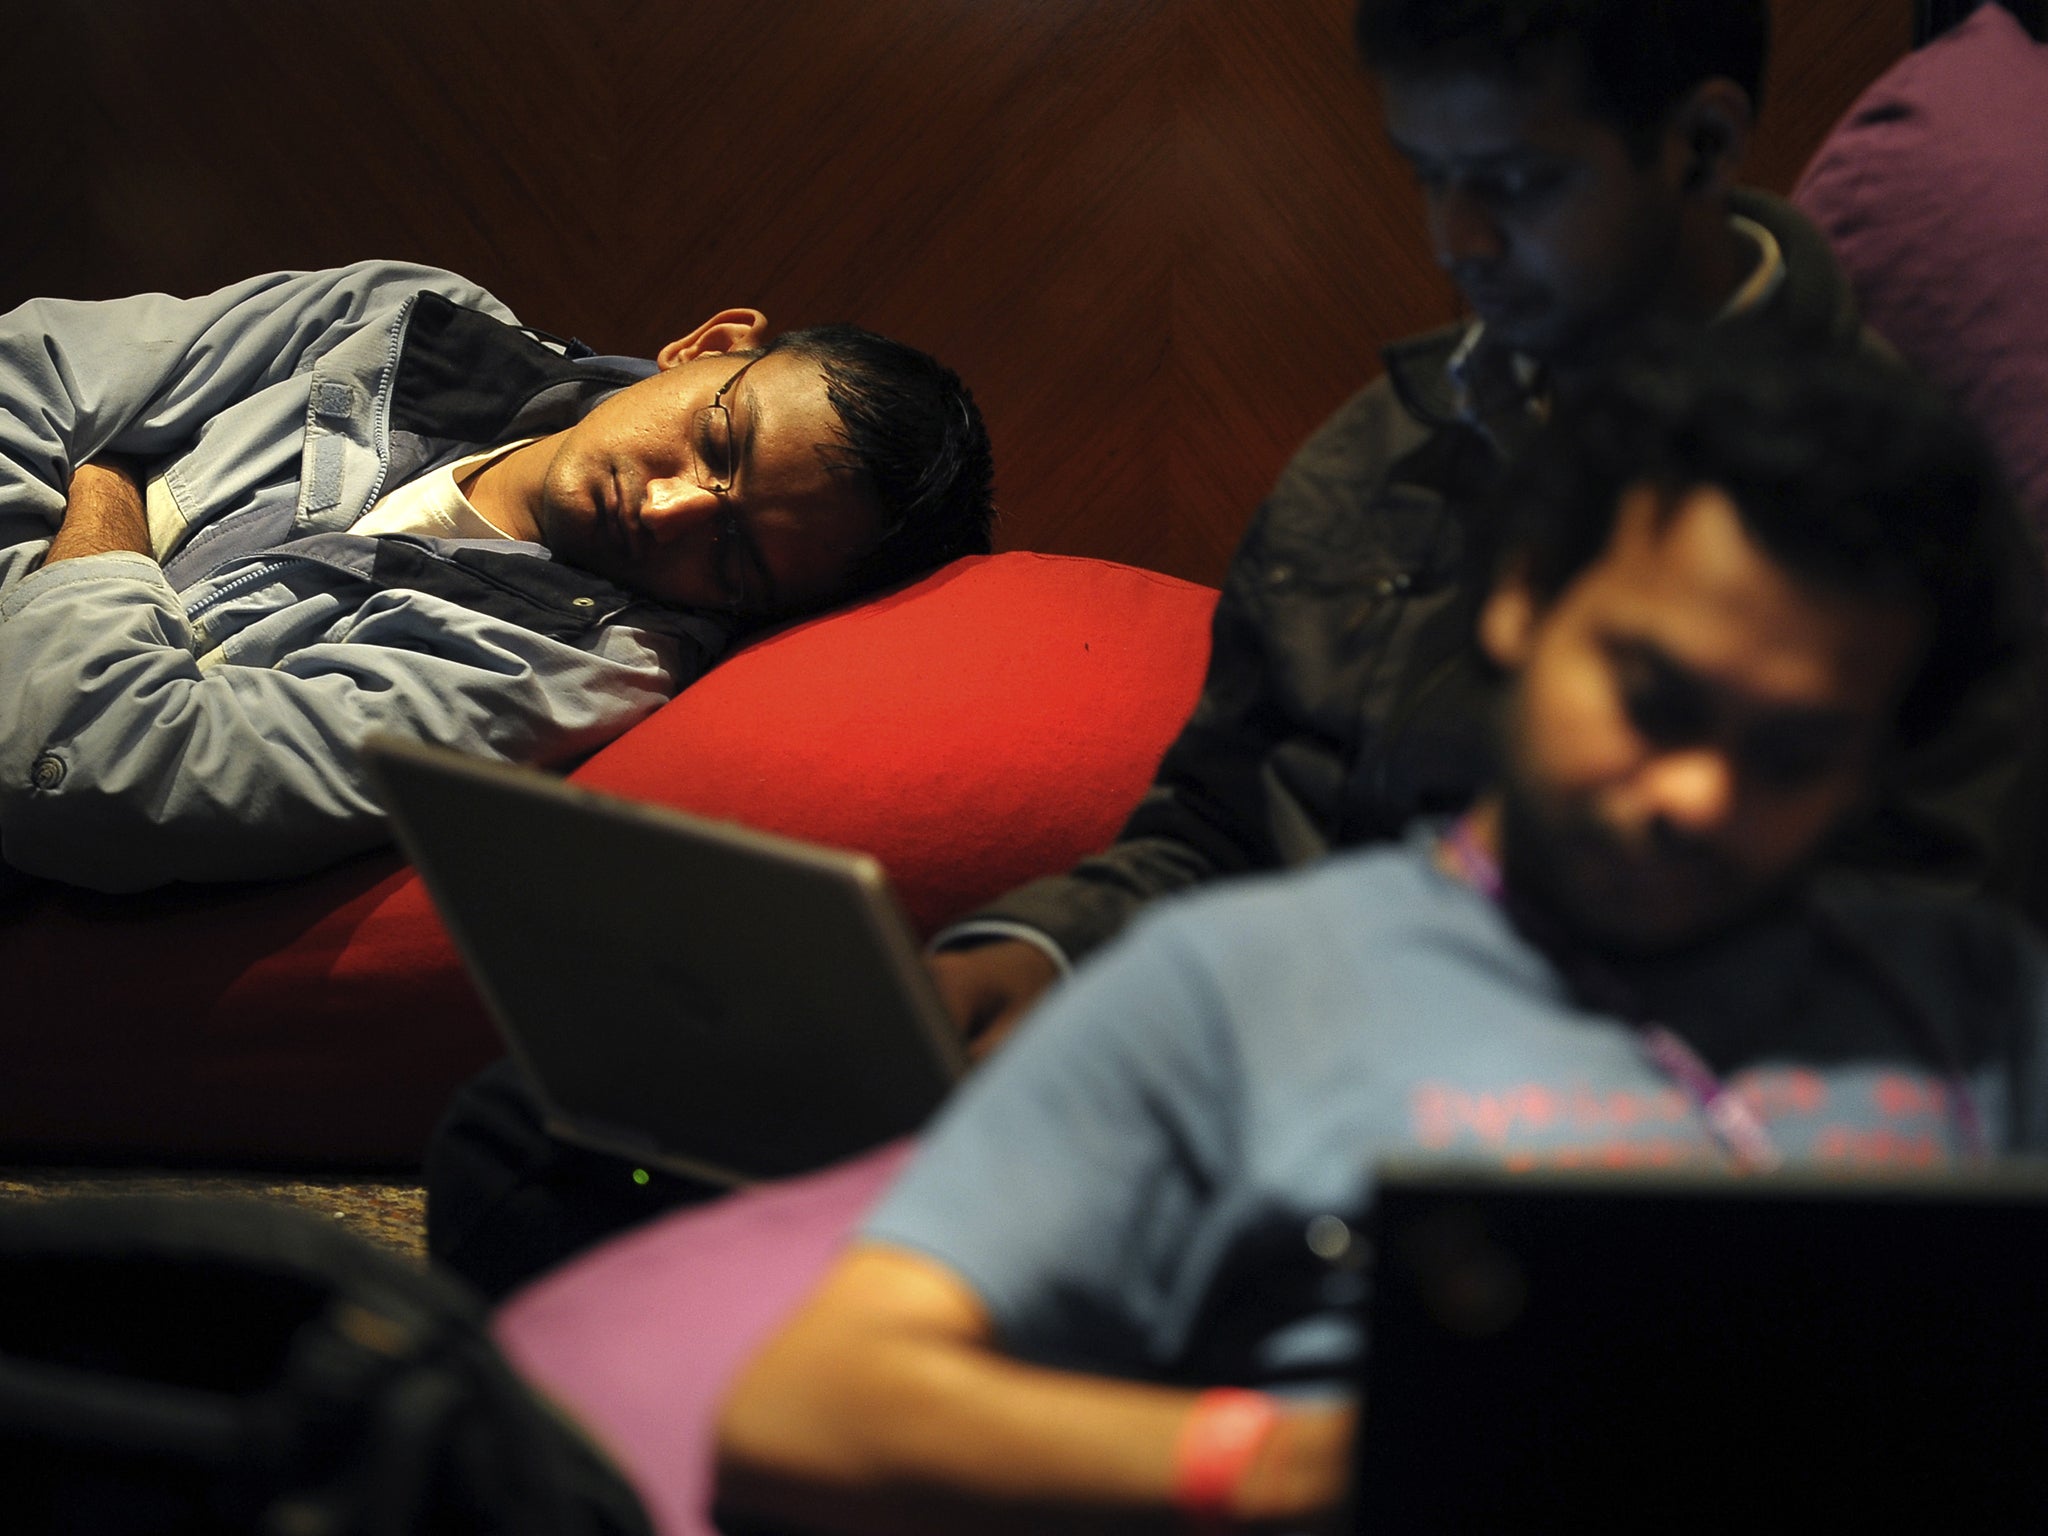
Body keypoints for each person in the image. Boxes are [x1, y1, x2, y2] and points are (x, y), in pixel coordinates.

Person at [711, 336, 2048, 1536]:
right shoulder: (1240, 984)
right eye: (1654, 699)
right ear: (1522, 605)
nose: (1698, 795)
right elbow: (813, 1408)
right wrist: (1319, 1467)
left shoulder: (1977, 999)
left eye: (1799, 751)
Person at [925, 0, 2048, 1046]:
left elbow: (1879, 1004)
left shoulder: (1905, 525)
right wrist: (1042, 955)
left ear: (1700, 145)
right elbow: (1216, 832)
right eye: (1428, 177)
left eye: (1513, 183)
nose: (1455, 242)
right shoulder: (1378, 450)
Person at [0, 260, 993, 893]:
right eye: (715, 439)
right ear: (708, 347)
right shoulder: (409, 320)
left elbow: (90, 769)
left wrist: (104, 484)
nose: (664, 509)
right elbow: (27, 367)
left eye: (732, 556)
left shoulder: (561, 670)